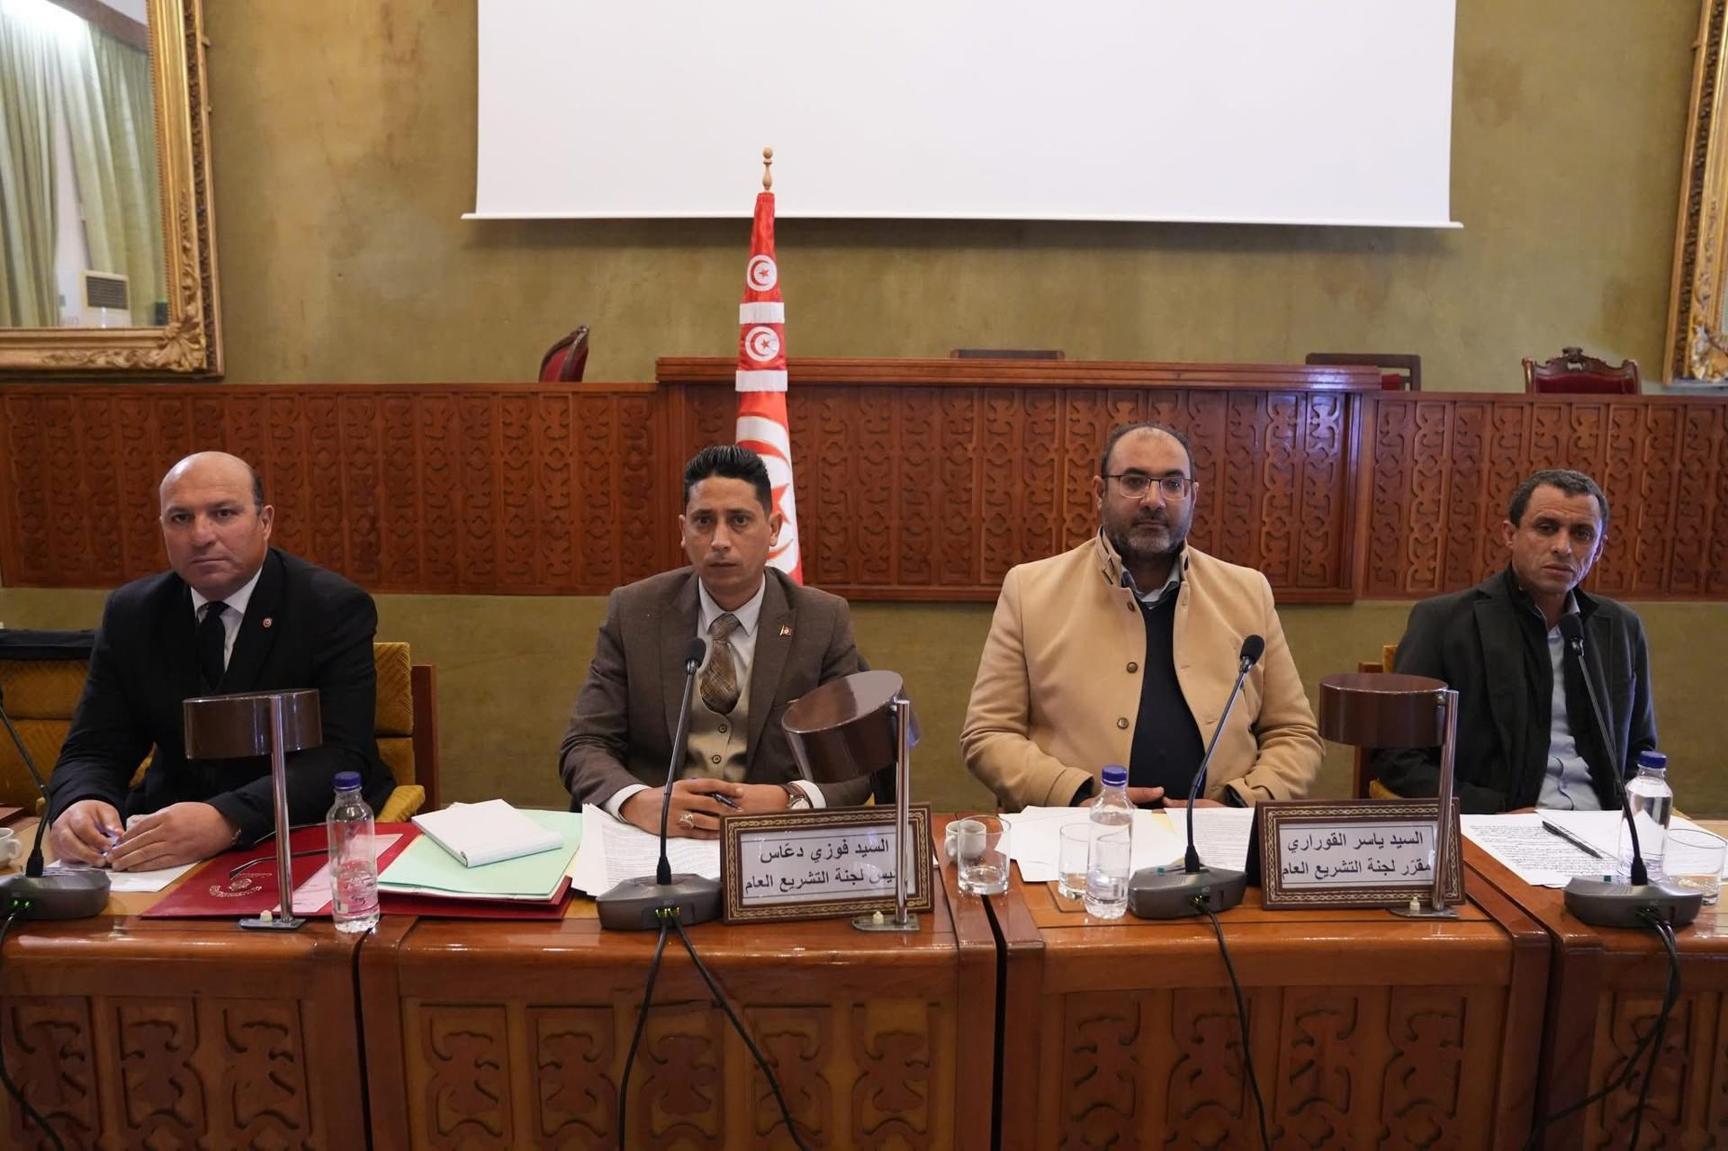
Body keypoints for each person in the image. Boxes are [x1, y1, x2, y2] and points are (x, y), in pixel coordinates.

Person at [47, 452, 392, 870]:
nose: (201, 536)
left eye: (223, 513)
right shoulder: (133, 613)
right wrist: (82, 800)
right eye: (180, 518)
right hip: (165, 844)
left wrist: (228, 818)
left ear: (265, 521)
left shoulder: (330, 607)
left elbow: (342, 756)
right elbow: (94, 747)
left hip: (297, 833)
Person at [962, 422, 1322, 810]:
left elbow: (1294, 734)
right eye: (1134, 482)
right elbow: (989, 733)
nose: (1154, 500)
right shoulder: (1029, 590)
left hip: (1216, 839)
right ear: (1099, 492)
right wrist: (1078, 799)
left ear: (1193, 495)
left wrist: (1238, 807)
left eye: (1172, 484)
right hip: (1077, 836)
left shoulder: (1248, 592)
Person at [559, 444, 868, 837]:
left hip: (768, 840)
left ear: (773, 529)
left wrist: (788, 799)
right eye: (704, 521)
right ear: (683, 531)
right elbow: (585, 743)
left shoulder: (821, 620)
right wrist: (637, 802)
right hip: (656, 839)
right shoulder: (635, 611)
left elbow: (855, 762)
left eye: (739, 520)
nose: (720, 540)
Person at [1374, 469, 1655, 814]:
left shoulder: (1621, 628)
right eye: (1546, 528)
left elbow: (1641, 752)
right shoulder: (1444, 622)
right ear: (1510, 535)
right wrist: (1496, 812)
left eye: (1582, 534)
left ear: (1598, 549)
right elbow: (1398, 758)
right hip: (1500, 822)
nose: (1563, 547)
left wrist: (1630, 823)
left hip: (1604, 827)